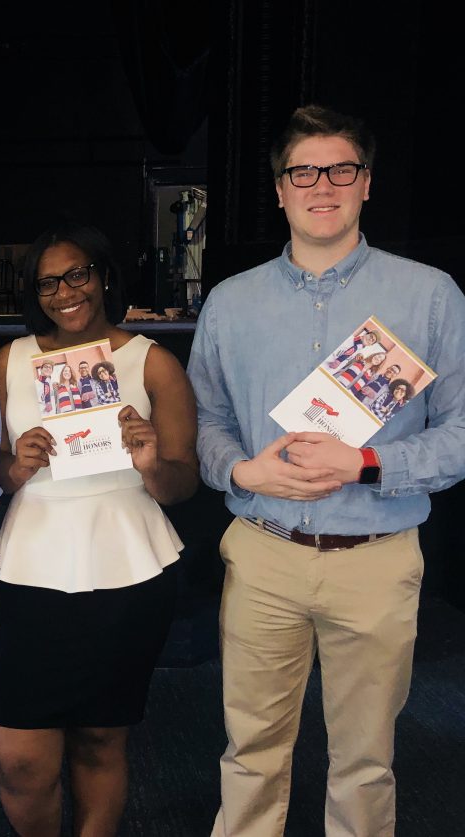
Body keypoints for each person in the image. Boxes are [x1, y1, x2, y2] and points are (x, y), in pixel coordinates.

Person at [187, 105, 465, 836]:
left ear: (366, 183)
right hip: (262, 554)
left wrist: (367, 463)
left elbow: (462, 435)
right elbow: (204, 425)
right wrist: (244, 471)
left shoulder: (431, 295)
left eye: (341, 169)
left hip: (375, 560)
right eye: (302, 171)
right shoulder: (229, 302)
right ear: (279, 189)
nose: (322, 185)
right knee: (250, 752)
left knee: (366, 761)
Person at [0, 223, 197, 836]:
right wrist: (15, 467)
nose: (64, 292)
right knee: (18, 758)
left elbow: (185, 482)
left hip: (127, 565)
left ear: (102, 276)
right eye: (47, 282)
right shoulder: (11, 361)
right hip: (30, 565)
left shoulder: (152, 363)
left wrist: (153, 465)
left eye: (76, 274)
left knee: (102, 738)